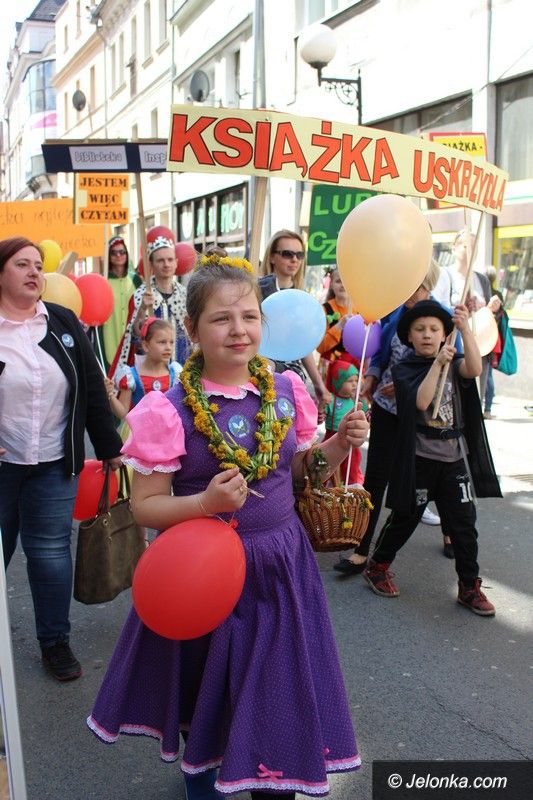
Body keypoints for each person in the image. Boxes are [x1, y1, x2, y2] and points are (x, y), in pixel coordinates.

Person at [87, 252, 368, 799]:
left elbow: (298, 470)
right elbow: (145, 505)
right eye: (221, 318)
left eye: (249, 316)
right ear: (192, 330)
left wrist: (339, 445)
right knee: (209, 696)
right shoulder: (168, 410)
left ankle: (274, 781)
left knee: (276, 692)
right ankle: (207, 779)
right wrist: (204, 503)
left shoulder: (285, 391)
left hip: (280, 568)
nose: (238, 329)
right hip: (204, 576)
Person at [0, 236, 123, 681]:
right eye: (22, 264)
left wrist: (109, 447)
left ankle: (54, 642)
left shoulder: (62, 321)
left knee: (50, 552)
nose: (34, 271)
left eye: (38, 264)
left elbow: (89, 385)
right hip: (2, 467)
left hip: (54, 462)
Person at [363, 300, 501, 616]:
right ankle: (378, 565)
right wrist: (437, 364)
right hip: (420, 458)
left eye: (435, 329)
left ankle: (469, 586)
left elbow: (474, 370)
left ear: (444, 334)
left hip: (455, 458)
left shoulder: (456, 361)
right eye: (420, 329)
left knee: (464, 525)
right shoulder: (404, 369)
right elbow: (422, 402)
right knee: (405, 518)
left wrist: (464, 329)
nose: (427, 334)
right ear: (409, 336)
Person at [334, 263, 453, 576]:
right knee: (376, 479)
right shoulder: (395, 313)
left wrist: (405, 386)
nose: (408, 293)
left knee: (437, 476)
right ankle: (361, 549)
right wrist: (372, 375)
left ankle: (451, 531)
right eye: (405, 285)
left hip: (425, 415)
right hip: (388, 409)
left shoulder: (443, 318)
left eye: (414, 286)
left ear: (428, 285)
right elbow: (381, 354)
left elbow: (453, 367)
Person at [258, 229, 330, 405]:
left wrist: (319, 384)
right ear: (272, 257)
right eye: (287, 254)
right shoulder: (257, 291)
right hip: (260, 375)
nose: (294, 259)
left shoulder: (301, 297)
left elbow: (302, 344)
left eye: (299, 255)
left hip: (292, 378)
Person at [110, 235, 191, 377]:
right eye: (160, 260)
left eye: (170, 260)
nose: (166, 264)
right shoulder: (140, 295)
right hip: (152, 375)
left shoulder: (185, 295)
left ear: (176, 263)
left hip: (182, 370)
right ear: (151, 265)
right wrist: (142, 309)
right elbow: (135, 336)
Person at [105, 317, 182, 420]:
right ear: (146, 345)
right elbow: (123, 413)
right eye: (162, 342)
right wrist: (110, 394)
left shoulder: (175, 373)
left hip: (169, 429)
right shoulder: (131, 376)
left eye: (171, 342)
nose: (168, 347)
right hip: (141, 429)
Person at [98, 236, 142, 371]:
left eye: (122, 252)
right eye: (114, 252)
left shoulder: (135, 280)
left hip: (131, 336)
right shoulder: (103, 281)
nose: (118, 255)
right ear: (108, 256)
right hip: (110, 335)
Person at [322, 360, 367, 486]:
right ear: (338, 382)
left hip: (350, 440)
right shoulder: (331, 400)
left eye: (356, 380)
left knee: (351, 466)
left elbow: (365, 417)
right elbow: (318, 418)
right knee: (326, 465)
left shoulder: (356, 401)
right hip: (332, 438)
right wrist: (321, 407)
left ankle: (349, 487)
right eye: (350, 381)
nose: (354, 384)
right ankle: (322, 487)